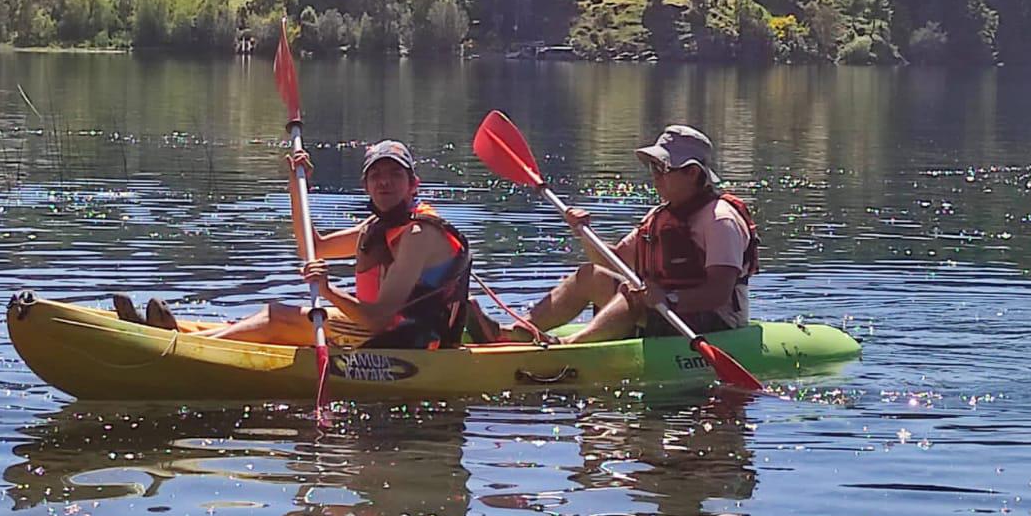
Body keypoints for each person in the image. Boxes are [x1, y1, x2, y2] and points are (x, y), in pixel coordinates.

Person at [117, 140, 472, 350]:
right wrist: (295, 184)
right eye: (376, 176)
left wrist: (329, 292)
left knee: (277, 318)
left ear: (414, 185)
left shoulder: (417, 234)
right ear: (366, 186)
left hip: (410, 345)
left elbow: (380, 318)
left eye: (395, 175)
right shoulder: (381, 226)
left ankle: (183, 348)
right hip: (383, 331)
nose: (385, 183)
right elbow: (312, 247)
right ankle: (174, 333)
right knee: (266, 315)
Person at [467, 125, 758, 345]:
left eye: (662, 168)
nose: (654, 175)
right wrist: (582, 232)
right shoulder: (660, 216)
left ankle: (567, 348)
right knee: (590, 274)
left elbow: (718, 293)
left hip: (715, 324)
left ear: (693, 174)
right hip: (664, 308)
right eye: (652, 167)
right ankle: (516, 333)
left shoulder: (720, 220)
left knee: (632, 294)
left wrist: (669, 297)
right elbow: (613, 262)